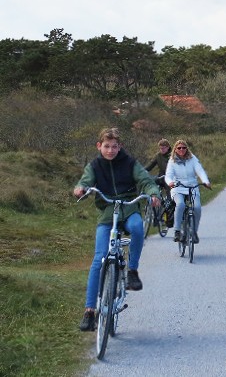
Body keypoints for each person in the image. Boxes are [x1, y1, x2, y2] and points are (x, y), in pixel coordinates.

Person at [73, 127, 161, 332]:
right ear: (99, 146)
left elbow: (146, 181)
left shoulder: (130, 163)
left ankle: (132, 271)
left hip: (129, 208)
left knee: (138, 228)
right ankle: (89, 311)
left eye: (114, 146)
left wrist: (153, 193)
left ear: (120, 146)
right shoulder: (94, 166)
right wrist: (81, 189)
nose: (111, 150)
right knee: (99, 258)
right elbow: (84, 181)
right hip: (107, 213)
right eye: (106, 146)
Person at [165, 139, 211, 244]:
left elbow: (200, 170)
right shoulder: (172, 161)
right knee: (180, 204)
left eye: (184, 148)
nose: (182, 150)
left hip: (192, 186)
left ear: (187, 149)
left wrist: (205, 181)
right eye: (179, 148)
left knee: (197, 207)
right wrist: (170, 182)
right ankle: (177, 231)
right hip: (178, 187)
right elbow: (168, 175)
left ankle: (194, 232)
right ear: (175, 149)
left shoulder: (192, 158)